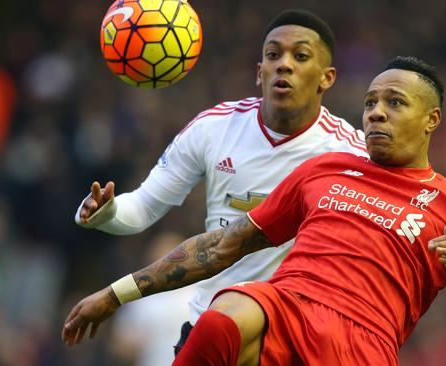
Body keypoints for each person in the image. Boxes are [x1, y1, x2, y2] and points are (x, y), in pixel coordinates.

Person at [63, 56, 446, 365]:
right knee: (226, 313)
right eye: (370, 103)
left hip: (365, 342)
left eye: (395, 103)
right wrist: (115, 294)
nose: (376, 113)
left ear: (432, 120)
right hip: (287, 306)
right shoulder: (326, 168)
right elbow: (224, 245)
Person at [73, 9, 367, 355]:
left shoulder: (350, 153)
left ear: (327, 77)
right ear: (260, 73)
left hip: (289, 341)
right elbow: (142, 207)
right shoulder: (213, 128)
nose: (283, 65)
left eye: (300, 56)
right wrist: (106, 212)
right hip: (209, 325)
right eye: (273, 55)